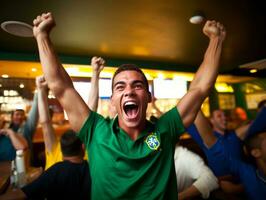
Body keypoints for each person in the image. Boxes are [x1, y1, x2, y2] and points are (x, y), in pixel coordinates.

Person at [33, 12, 225, 199]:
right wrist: (42, 37)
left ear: (148, 97)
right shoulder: (95, 130)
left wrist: (215, 40)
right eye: (120, 86)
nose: (129, 91)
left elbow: (200, 88)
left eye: (137, 85)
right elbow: (62, 88)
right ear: (114, 101)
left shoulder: (165, 129)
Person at [1, 130, 91, 200]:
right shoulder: (93, 169)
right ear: (83, 147)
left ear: (62, 151)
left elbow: (22, 194)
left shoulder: (56, 170)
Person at [8, 90, 39, 165]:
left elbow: (35, 110)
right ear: (12, 117)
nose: (20, 117)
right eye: (17, 114)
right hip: (7, 163)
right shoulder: (6, 129)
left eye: (22, 115)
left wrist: (38, 92)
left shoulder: (27, 128)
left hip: (25, 164)